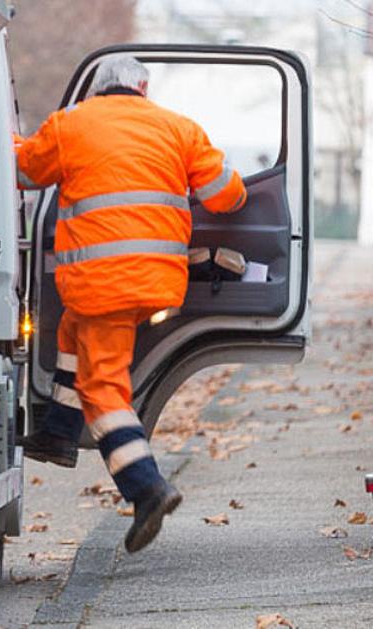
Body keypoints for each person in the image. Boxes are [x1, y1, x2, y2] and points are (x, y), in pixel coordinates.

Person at [15, 55, 247, 553]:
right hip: (159, 283)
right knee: (71, 334)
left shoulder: (70, 124)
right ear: (142, 87)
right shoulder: (179, 127)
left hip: (103, 283)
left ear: (96, 88)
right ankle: (58, 432)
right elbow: (228, 196)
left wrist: (1, 135)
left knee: (103, 387)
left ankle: (146, 488)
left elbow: (25, 171)